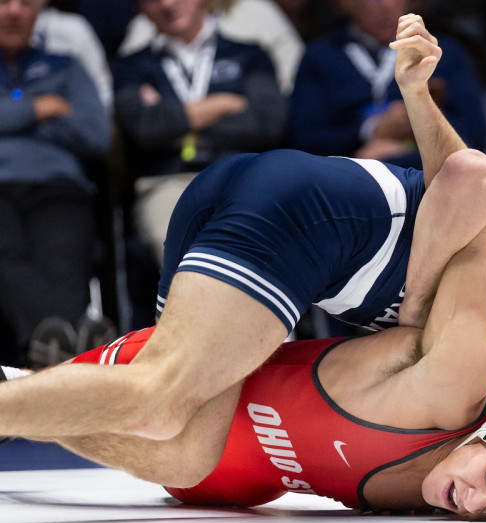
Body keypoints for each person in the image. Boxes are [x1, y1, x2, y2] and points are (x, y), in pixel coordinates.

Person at [0, 14, 486, 447]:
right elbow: (470, 183)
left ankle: (24, 388)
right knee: (162, 399)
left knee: (178, 439)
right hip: (308, 218)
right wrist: (420, 299)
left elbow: (451, 176)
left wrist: (415, 93)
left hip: (271, 204)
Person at [8, 226, 486, 523]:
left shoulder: (440, 499)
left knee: (180, 459)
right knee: (179, 446)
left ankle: (20, 385)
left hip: (234, 488)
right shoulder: (457, 380)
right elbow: (478, 232)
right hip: (207, 389)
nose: (472, 505)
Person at [113, 0, 287, 265]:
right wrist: (221, 105)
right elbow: (143, 129)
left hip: (243, 175)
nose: (167, 4)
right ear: (142, 9)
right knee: (192, 262)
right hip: (168, 182)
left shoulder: (249, 55)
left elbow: (267, 125)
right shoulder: (130, 67)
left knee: (262, 254)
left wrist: (171, 115)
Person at [0, 0, 111, 367]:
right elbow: (74, 124)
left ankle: (50, 349)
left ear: (40, 10)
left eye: (25, 2)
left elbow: (97, 134)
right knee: (4, 257)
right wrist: (41, 108)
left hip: (59, 186)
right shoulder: (57, 88)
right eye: (3, 2)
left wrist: (10, 117)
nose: (14, 11)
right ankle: (81, 350)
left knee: (63, 260)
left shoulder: (68, 66)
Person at [288, 0, 486, 168]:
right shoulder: (321, 56)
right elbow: (304, 139)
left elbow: (474, 136)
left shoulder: (441, 52)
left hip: (426, 173)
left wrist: (400, 154)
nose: (387, 5)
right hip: (344, 177)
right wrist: (370, 131)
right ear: (346, 3)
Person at [119, 0, 304, 94]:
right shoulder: (144, 26)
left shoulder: (257, 12)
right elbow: (134, 114)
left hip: (242, 154)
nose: (168, 4)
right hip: (166, 163)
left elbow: (272, 110)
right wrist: (220, 106)